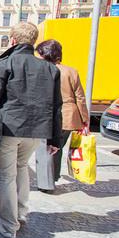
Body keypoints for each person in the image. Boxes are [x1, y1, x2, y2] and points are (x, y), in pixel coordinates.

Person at [0, 23, 62, 238]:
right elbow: (57, 106)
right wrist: (55, 139)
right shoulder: (50, 69)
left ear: (12, 40)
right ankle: (20, 214)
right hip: (35, 131)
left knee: (7, 176)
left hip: (9, 129)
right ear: (34, 41)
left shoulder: (4, 64)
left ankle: (9, 225)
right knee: (21, 169)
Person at [35, 39, 89, 193]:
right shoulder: (71, 71)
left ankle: (47, 180)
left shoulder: (43, 70)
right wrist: (84, 119)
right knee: (57, 148)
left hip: (48, 114)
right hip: (68, 115)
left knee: (46, 148)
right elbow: (80, 97)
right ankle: (53, 178)